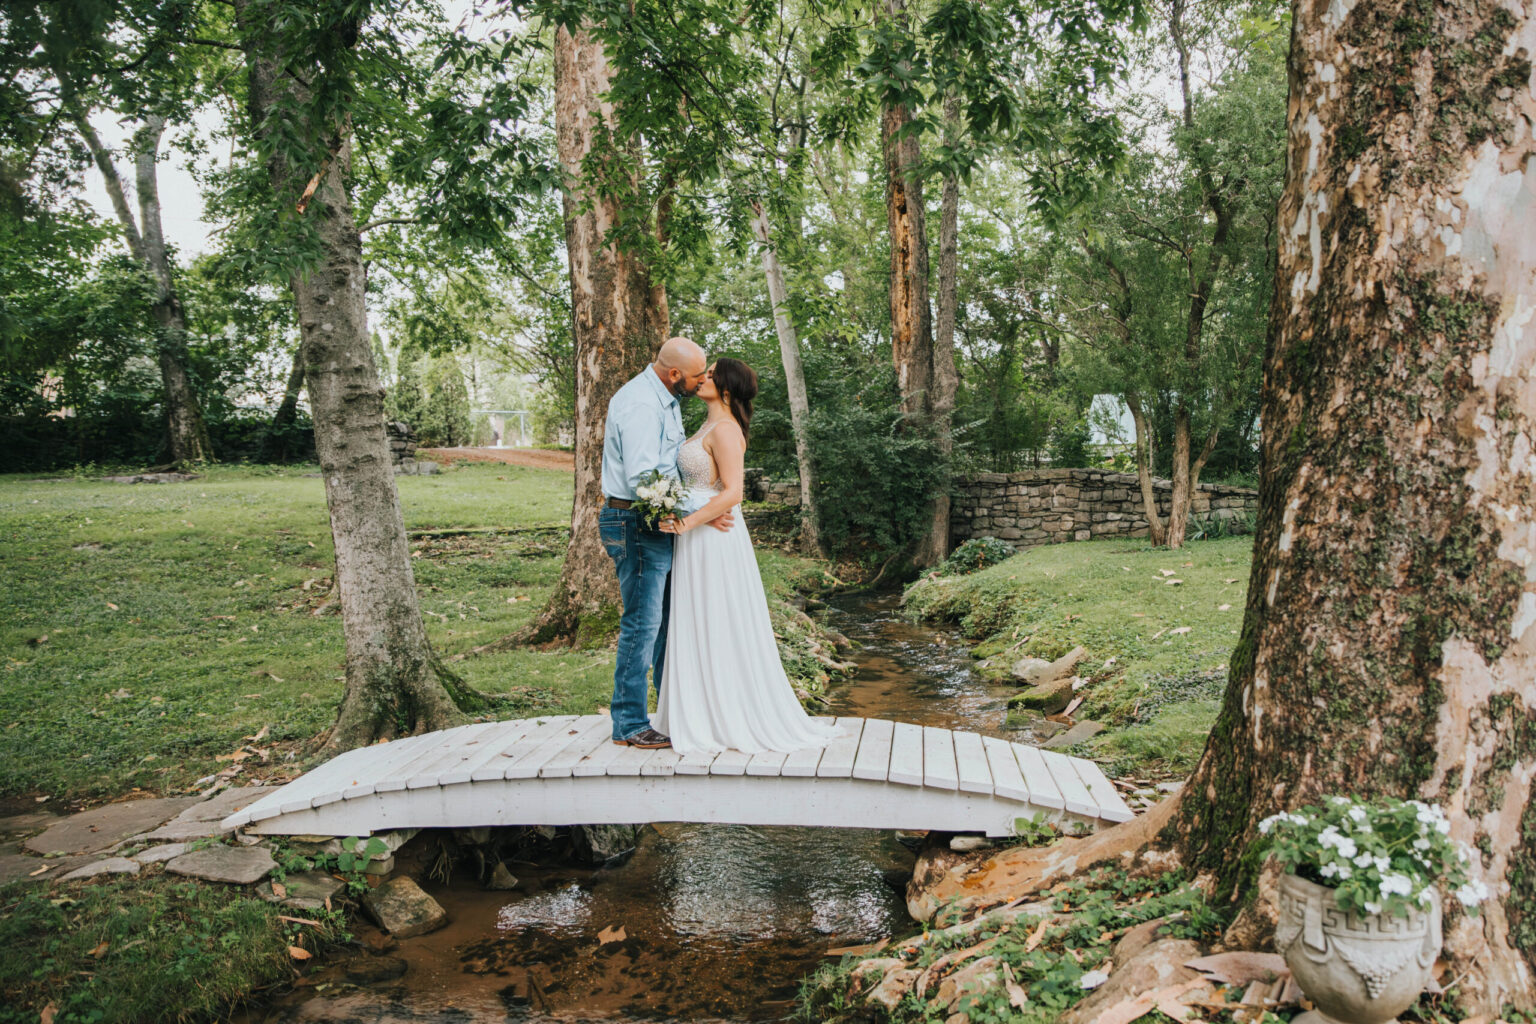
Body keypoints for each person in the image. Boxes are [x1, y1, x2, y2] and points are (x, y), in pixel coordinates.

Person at [654, 357, 842, 755]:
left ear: (725, 386)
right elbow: (705, 485)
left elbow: (734, 492)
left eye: (711, 372)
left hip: (713, 541)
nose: (702, 376)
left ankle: (725, 716)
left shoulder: (725, 429)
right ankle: (698, 711)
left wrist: (688, 523)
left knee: (717, 618)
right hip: (698, 536)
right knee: (696, 619)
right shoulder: (706, 424)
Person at [599, 337, 733, 749]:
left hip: (658, 521)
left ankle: (672, 714)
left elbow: (670, 470)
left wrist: (699, 513)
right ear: (674, 373)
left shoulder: (666, 399)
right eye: (696, 376)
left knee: (665, 625)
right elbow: (645, 481)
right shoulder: (641, 405)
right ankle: (628, 724)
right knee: (642, 625)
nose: (700, 381)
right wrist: (688, 518)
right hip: (638, 522)